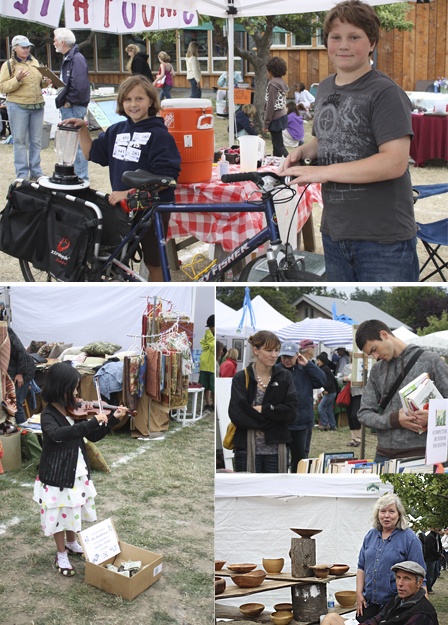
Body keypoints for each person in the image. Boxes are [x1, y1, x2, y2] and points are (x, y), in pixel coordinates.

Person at [279, 0, 419, 282]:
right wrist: (303, 151)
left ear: (372, 43)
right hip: (335, 231)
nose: (344, 45)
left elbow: (394, 162)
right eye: (336, 37)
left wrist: (321, 173)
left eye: (354, 37)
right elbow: (325, 139)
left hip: (383, 238)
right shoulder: (326, 87)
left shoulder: (385, 92)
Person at [62, 75, 181, 282]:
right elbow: (92, 153)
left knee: (155, 262)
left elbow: (167, 178)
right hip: (123, 210)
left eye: (139, 99)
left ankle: (154, 301)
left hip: (153, 210)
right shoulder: (117, 130)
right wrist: (82, 128)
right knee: (118, 259)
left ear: (151, 101)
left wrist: (128, 193)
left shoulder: (160, 135)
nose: (133, 104)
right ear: (121, 103)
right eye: (127, 99)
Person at [32, 362, 127, 576]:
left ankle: (72, 542)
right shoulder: (48, 415)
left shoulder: (72, 411)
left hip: (76, 470)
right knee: (59, 513)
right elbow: (58, 435)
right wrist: (91, 423)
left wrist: (112, 419)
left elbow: (92, 435)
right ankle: (61, 553)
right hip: (57, 473)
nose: (77, 393)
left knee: (73, 508)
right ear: (60, 387)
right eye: (73, 388)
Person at [355, 320, 448, 462]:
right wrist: (394, 420)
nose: (375, 356)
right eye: (370, 354)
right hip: (383, 456)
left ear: (384, 335)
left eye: (374, 349)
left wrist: (433, 417)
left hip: (422, 455)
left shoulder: (431, 361)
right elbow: (364, 414)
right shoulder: (377, 370)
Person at [228, 330, 298, 473]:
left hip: (277, 449)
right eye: (269, 350)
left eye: (277, 350)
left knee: (275, 493)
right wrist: (275, 418)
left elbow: (291, 412)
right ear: (256, 350)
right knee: (247, 492)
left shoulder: (284, 376)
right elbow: (237, 414)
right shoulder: (241, 377)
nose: (274, 355)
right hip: (247, 449)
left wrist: (265, 409)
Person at [356, 493, 427, 623]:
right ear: (377, 514)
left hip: (394, 605)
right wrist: (359, 594)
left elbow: (420, 574)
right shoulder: (370, 535)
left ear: (399, 514)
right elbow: (361, 567)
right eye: (382, 511)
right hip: (368, 603)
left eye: (391, 511)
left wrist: (424, 607)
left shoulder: (410, 539)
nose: (386, 515)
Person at [322, 561, 438, 625]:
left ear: (419, 583)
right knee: (331, 617)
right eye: (398, 577)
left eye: (407, 578)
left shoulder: (421, 613)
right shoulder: (398, 599)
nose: (400, 583)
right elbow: (378, 618)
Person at [0, 35, 49, 180]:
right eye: (23, 47)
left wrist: (45, 82)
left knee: (36, 140)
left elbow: (40, 84)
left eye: (28, 47)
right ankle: (22, 174)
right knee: (19, 140)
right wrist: (17, 79)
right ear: (15, 48)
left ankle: (36, 171)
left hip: (37, 105)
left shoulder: (35, 62)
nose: (26, 50)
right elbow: (2, 87)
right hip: (17, 106)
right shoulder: (8, 65)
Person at [278, 339, 326, 472]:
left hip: (302, 422)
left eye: (290, 356)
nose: (286, 360)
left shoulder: (304, 369)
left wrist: (308, 365)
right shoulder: (276, 370)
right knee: (280, 458)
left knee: (300, 459)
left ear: (297, 355)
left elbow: (322, 380)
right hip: (282, 423)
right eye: (284, 356)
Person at [53, 28, 90, 182]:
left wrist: (69, 101)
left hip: (73, 106)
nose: (53, 42)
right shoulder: (70, 57)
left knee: (77, 145)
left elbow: (80, 85)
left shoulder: (77, 59)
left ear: (62, 42)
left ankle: (81, 178)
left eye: (55, 39)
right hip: (70, 105)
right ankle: (75, 175)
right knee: (70, 144)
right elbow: (71, 83)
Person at [6, 327, 36, 425]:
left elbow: (21, 352)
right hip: (11, 374)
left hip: (21, 373)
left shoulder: (5, 332)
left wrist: (21, 373)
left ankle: (23, 433)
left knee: (16, 404)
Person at [263, 56, 289, 157]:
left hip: (275, 117)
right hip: (282, 115)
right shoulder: (282, 82)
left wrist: (266, 123)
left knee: (279, 145)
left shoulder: (273, 84)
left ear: (270, 71)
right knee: (276, 145)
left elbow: (270, 105)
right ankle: (276, 163)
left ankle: (293, 162)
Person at [341, 359, 363, 447]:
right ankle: (353, 437)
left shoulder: (361, 367)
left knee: (355, 415)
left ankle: (359, 437)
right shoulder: (346, 367)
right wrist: (344, 379)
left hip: (358, 393)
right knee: (349, 416)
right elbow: (339, 379)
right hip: (347, 393)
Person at [316, 352, 338, 431]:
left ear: (322, 361)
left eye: (319, 360)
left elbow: (328, 381)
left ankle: (325, 424)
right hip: (333, 391)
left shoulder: (325, 369)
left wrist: (326, 389)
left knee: (320, 407)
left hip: (330, 391)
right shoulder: (326, 368)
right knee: (329, 409)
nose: (317, 362)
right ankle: (333, 426)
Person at [199, 314, 215, 411]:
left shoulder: (211, 336)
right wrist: (209, 338)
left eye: (210, 326)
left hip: (212, 367)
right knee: (205, 387)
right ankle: (208, 404)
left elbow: (213, 347)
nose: (209, 329)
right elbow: (203, 344)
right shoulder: (208, 335)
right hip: (204, 365)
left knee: (213, 388)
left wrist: (209, 338)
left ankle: (214, 404)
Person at [424, 528, 443, 593]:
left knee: (436, 573)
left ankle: (429, 587)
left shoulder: (437, 536)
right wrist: (438, 554)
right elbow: (430, 549)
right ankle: (427, 588)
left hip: (436, 558)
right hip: (430, 558)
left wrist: (440, 553)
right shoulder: (430, 537)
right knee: (430, 574)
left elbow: (439, 546)